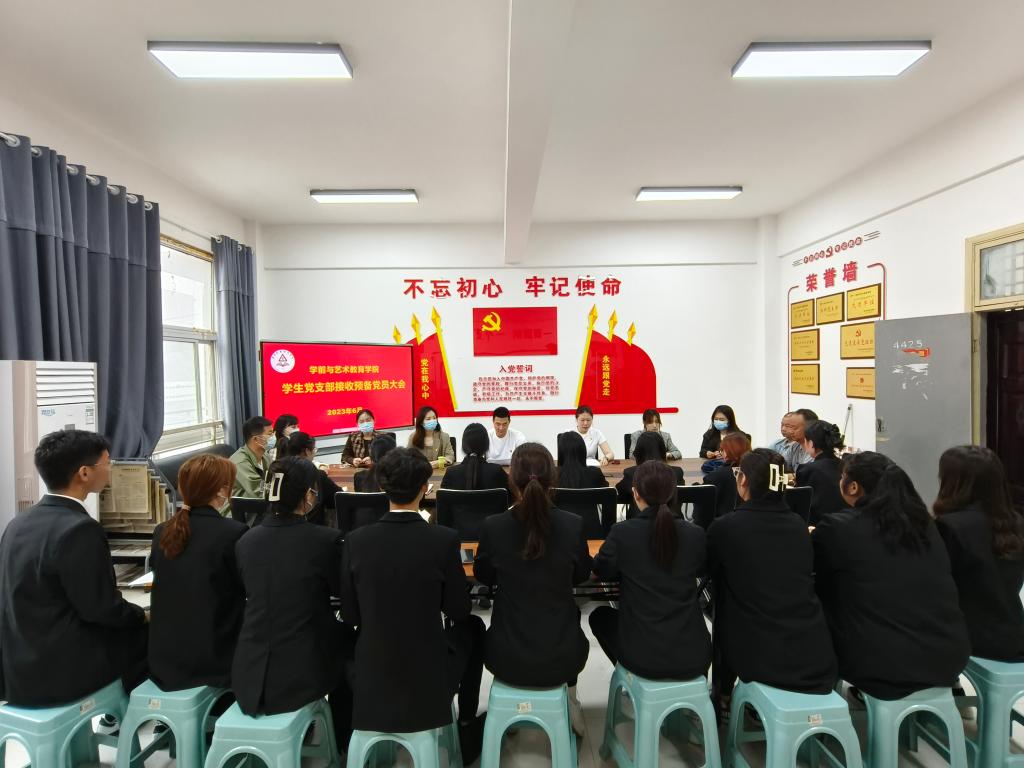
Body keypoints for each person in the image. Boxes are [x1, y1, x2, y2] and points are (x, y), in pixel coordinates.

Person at [342, 448, 486, 760]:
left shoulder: (355, 541)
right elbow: (458, 611)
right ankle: (466, 721)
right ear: (424, 488)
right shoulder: (443, 539)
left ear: (382, 487)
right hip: (428, 675)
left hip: (372, 673)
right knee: (473, 627)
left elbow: (350, 615)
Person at [0, 430, 148, 706]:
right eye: (107, 463)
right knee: (149, 635)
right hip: (62, 673)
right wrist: (142, 615)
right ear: (84, 473)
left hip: (17, 670)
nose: (110, 470)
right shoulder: (80, 529)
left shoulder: (18, 523)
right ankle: (134, 714)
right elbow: (101, 609)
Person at [813, 452, 970, 700]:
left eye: (842, 477)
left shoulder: (837, 528)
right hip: (948, 658)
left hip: (879, 663)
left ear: (853, 487)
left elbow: (819, 583)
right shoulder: (926, 526)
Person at [232, 457, 355, 749]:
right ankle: (343, 741)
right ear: (307, 495)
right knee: (350, 643)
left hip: (248, 676)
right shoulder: (324, 540)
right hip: (301, 675)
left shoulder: (245, 541)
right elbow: (342, 595)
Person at [474, 443, 593, 736]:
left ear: (512, 480)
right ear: (553, 478)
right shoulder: (573, 525)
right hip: (564, 657)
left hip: (506, 657)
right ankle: (571, 702)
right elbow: (581, 576)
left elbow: (483, 575)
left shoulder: (494, 526)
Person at [706, 449, 837, 714]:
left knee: (723, 603)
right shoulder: (798, 525)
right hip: (812, 653)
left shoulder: (725, 527)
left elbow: (707, 569)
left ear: (742, 479)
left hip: (757, 656)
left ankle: (724, 694)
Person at [590, 461, 711, 680]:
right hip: (695, 655)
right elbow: (702, 568)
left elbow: (600, 570)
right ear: (674, 493)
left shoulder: (622, 533)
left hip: (643, 659)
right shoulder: (695, 534)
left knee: (599, 616)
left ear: (636, 493)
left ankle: (629, 679)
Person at [149, 454, 247, 691]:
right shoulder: (233, 533)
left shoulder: (163, 530)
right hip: (215, 659)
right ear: (222, 490)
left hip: (165, 661)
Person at [933, 445, 1024, 661]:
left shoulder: (949, 527)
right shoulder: (1017, 523)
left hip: (970, 639)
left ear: (953, 482)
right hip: (1014, 634)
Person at [279, 431, 344, 526]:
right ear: (307, 451)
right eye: (314, 449)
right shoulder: (316, 475)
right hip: (312, 528)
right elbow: (339, 498)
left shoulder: (276, 472)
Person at [616, 431, 685, 518]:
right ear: (663, 450)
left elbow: (620, 492)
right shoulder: (677, 472)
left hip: (639, 522)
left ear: (638, 452)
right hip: (673, 521)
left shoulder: (631, 473)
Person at [796, 419, 847, 524]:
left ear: (811, 443)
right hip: (846, 520)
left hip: (819, 523)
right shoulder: (845, 465)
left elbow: (801, 505)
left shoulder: (807, 469)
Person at [696, 432, 751, 529]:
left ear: (726, 453)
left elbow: (702, 515)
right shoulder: (756, 473)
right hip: (751, 526)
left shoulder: (715, 477)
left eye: (722, 450)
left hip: (721, 529)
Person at [441, 423, 509, 492]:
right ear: (486, 445)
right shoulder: (497, 471)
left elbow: (441, 497)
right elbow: (511, 495)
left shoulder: (451, 473)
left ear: (464, 445)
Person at [229, 416, 273, 502]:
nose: (273, 437)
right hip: (238, 508)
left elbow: (272, 480)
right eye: (269, 434)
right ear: (256, 439)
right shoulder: (240, 461)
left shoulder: (265, 456)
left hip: (258, 504)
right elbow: (258, 491)